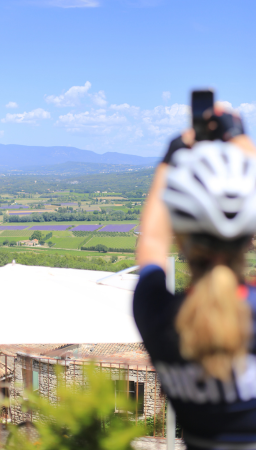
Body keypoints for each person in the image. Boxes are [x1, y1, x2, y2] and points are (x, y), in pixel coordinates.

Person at [133, 109, 256, 450]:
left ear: (180, 238)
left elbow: (152, 243)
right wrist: (239, 137)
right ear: (249, 238)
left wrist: (171, 154)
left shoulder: (157, 316)